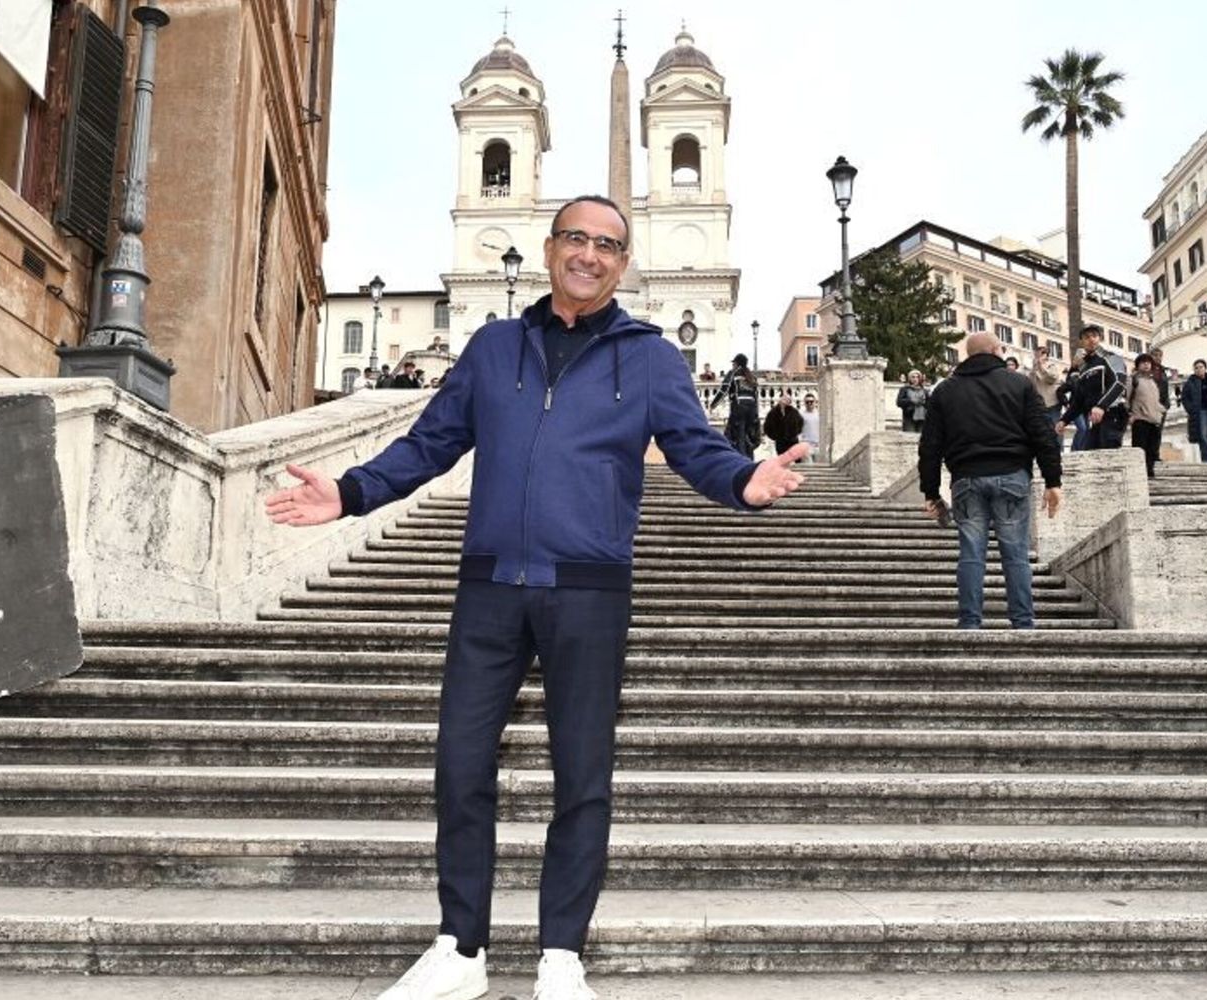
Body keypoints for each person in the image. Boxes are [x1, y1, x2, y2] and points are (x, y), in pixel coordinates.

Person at [264, 194, 809, 1000]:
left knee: (582, 775)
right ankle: (460, 948)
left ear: (624, 264)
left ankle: (561, 956)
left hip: (590, 590)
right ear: (551, 249)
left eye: (607, 245)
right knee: (459, 764)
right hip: (489, 586)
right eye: (576, 239)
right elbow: (429, 444)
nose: (589, 254)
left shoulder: (650, 359)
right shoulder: (492, 348)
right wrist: (347, 493)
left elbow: (694, 449)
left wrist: (742, 480)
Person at [919, 331, 1062, 629]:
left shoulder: (945, 391)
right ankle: (1023, 623)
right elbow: (1043, 434)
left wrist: (931, 492)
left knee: (971, 553)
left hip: (966, 479)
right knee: (1016, 554)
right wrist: (1052, 481)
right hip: (1012, 475)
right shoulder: (1019, 383)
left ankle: (970, 622)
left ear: (969, 355)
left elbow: (930, 446)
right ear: (996, 350)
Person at [1056, 325, 1126, 450]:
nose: (1091, 339)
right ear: (1082, 342)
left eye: (1094, 336)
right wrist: (1064, 420)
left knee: (1109, 455)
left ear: (1100, 338)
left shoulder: (1111, 357)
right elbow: (1079, 400)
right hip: (1095, 418)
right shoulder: (1085, 368)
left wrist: (1101, 406)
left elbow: (1119, 383)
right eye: (1087, 337)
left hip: (1113, 412)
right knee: (1090, 452)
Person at [709, 352, 760, 457]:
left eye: (734, 363)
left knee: (738, 435)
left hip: (739, 407)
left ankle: (742, 462)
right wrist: (756, 414)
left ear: (737, 364)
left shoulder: (733, 373)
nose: (733, 365)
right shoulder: (752, 377)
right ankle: (750, 459)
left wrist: (713, 404)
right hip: (751, 409)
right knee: (748, 436)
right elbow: (756, 396)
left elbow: (724, 390)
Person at [1127, 353, 1166, 478]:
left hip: (1154, 419)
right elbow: (1127, 398)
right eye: (1143, 362)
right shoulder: (1133, 379)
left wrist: (1161, 412)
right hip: (1140, 419)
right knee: (1140, 448)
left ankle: (1150, 471)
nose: (1146, 364)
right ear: (1138, 365)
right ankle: (1140, 473)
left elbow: (1157, 400)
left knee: (1152, 448)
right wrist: (1130, 415)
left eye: (1148, 362)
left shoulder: (1153, 381)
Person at [1026, 345, 1062, 428]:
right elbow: (1031, 383)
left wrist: (1041, 367)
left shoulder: (1051, 366)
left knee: (1055, 428)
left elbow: (1051, 379)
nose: (1038, 356)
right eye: (1037, 354)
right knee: (1043, 429)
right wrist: (1034, 369)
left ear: (1046, 355)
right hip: (1040, 404)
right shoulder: (1034, 368)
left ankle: (1057, 441)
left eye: (1041, 353)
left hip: (1053, 403)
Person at [763, 390, 804, 456]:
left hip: (792, 441)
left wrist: (794, 433)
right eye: (784, 398)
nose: (786, 401)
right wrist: (774, 436)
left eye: (788, 399)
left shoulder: (794, 412)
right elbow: (767, 426)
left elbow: (800, 423)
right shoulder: (773, 412)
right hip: (780, 442)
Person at [798, 393, 821, 461]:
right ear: (804, 403)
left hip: (818, 445)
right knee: (808, 468)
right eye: (807, 402)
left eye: (811, 401)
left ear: (815, 402)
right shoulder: (801, 415)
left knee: (819, 469)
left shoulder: (820, 415)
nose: (809, 403)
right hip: (806, 445)